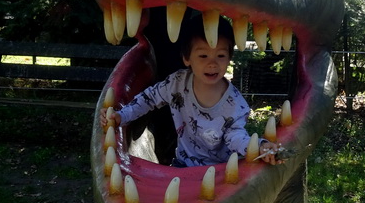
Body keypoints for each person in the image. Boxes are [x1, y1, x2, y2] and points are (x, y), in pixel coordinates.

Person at [105, 15, 283, 167]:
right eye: (203, 55)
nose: (212, 63)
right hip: (183, 165)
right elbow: (148, 99)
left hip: (221, 172)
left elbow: (236, 137)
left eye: (220, 55)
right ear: (186, 58)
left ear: (229, 58)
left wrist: (260, 146)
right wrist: (121, 116)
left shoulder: (235, 104)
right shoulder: (176, 83)